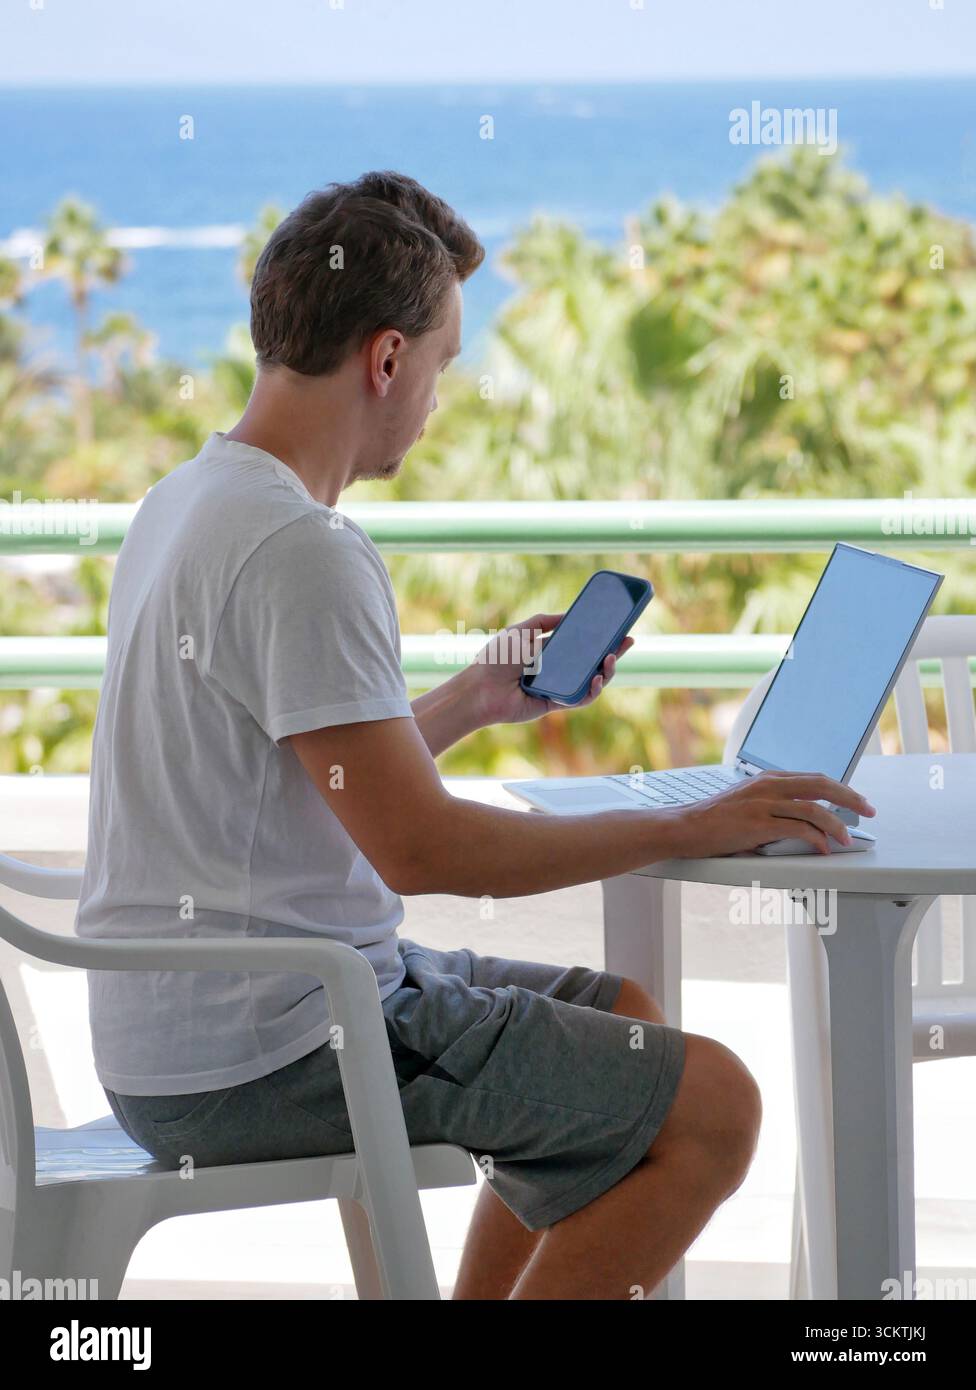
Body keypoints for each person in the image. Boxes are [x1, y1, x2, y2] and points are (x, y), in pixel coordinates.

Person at [76, 171, 873, 1300]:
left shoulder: (192, 501)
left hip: (204, 1024)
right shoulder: (303, 550)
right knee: (714, 1108)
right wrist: (692, 823)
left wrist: (468, 701)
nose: (436, 398)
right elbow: (427, 852)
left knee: (627, 1019)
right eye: (443, 364)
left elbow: (318, 775)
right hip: (275, 1048)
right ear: (386, 359)